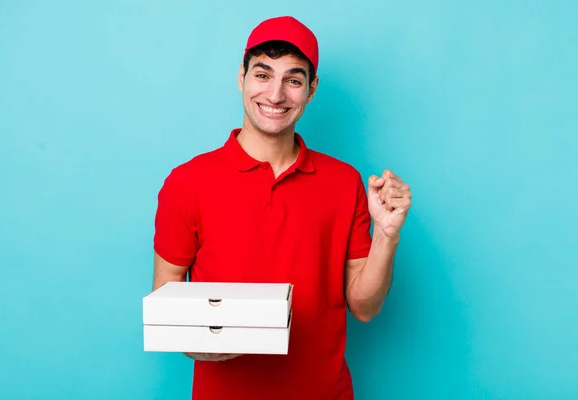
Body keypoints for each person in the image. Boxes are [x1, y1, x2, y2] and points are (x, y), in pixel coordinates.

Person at [152, 15, 412, 400]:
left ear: (311, 89)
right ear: (241, 77)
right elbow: (166, 299)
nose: (275, 95)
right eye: (262, 74)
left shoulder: (344, 182)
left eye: (293, 80)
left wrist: (386, 236)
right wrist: (205, 341)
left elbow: (365, 307)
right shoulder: (187, 182)